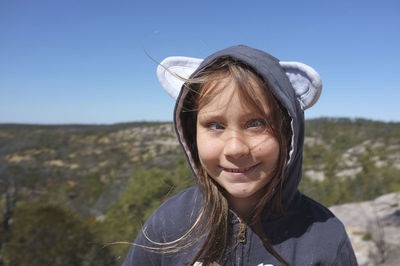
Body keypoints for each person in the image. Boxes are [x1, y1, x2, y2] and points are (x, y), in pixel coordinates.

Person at [123, 45, 358, 265]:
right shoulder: (168, 224)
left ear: (289, 132)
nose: (235, 148)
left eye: (256, 123)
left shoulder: (324, 235)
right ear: (191, 133)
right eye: (215, 125)